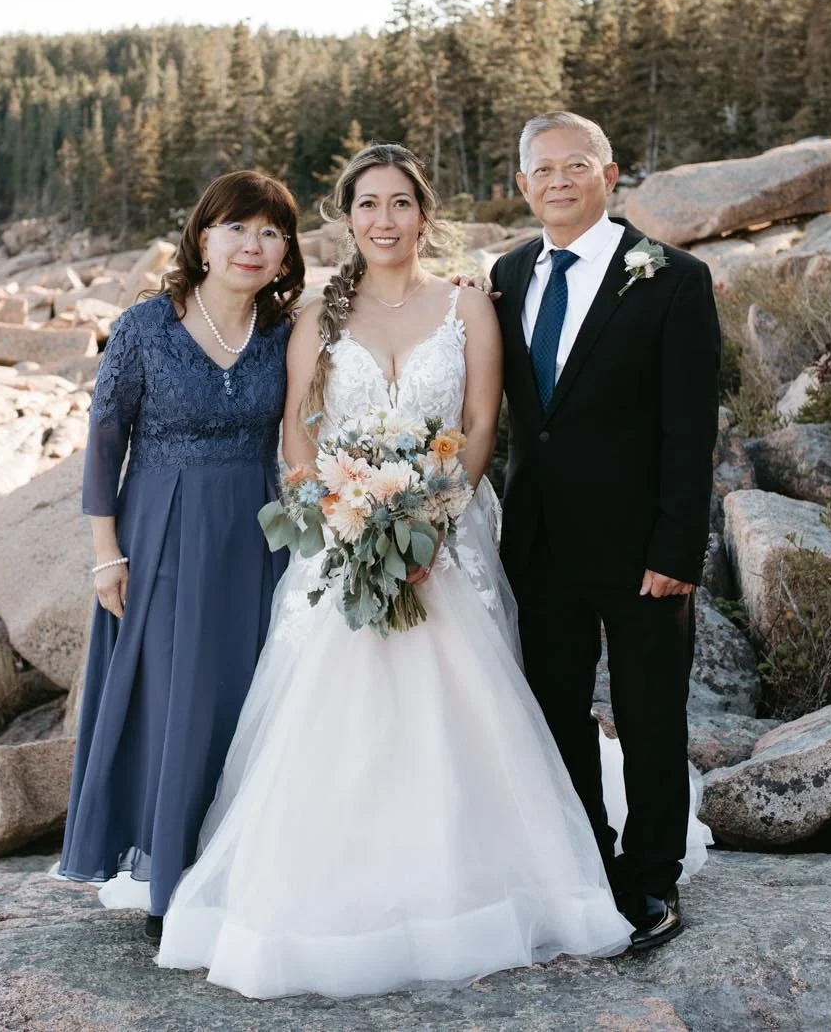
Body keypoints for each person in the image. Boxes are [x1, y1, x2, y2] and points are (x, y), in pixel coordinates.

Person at [156, 144, 635, 999]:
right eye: (367, 205)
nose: (384, 220)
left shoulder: (466, 306)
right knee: (329, 710)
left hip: (446, 534)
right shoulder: (315, 318)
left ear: (424, 214)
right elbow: (298, 434)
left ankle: (480, 881)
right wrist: (342, 518)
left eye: (400, 204)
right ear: (348, 218)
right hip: (338, 540)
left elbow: (484, 422)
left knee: (465, 702)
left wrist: (431, 519)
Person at [490, 111, 721, 952]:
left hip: (639, 550)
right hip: (540, 543)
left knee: (650, 712)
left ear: (610, 174)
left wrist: (677, 548)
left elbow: (691, 429)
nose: (559, 181)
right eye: (542, 170)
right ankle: (586, 860)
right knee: (555, 713)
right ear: (522, 185)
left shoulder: (671, 278)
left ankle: (652, 875)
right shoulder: (506, 274)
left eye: (576, 165)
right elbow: (516, 422)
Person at [57, 170, 307, 935]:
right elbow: (105, 440)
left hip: (254, 534)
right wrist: (106, 553)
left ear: (287, 250)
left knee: (244, 696)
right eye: (237, 228)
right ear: (203, 237)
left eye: (270, 232)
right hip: (159, 529)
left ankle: (233, 870)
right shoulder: (145, 326)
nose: (253, 245)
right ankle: (168, 875)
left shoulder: (287, 331)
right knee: (173, 701)